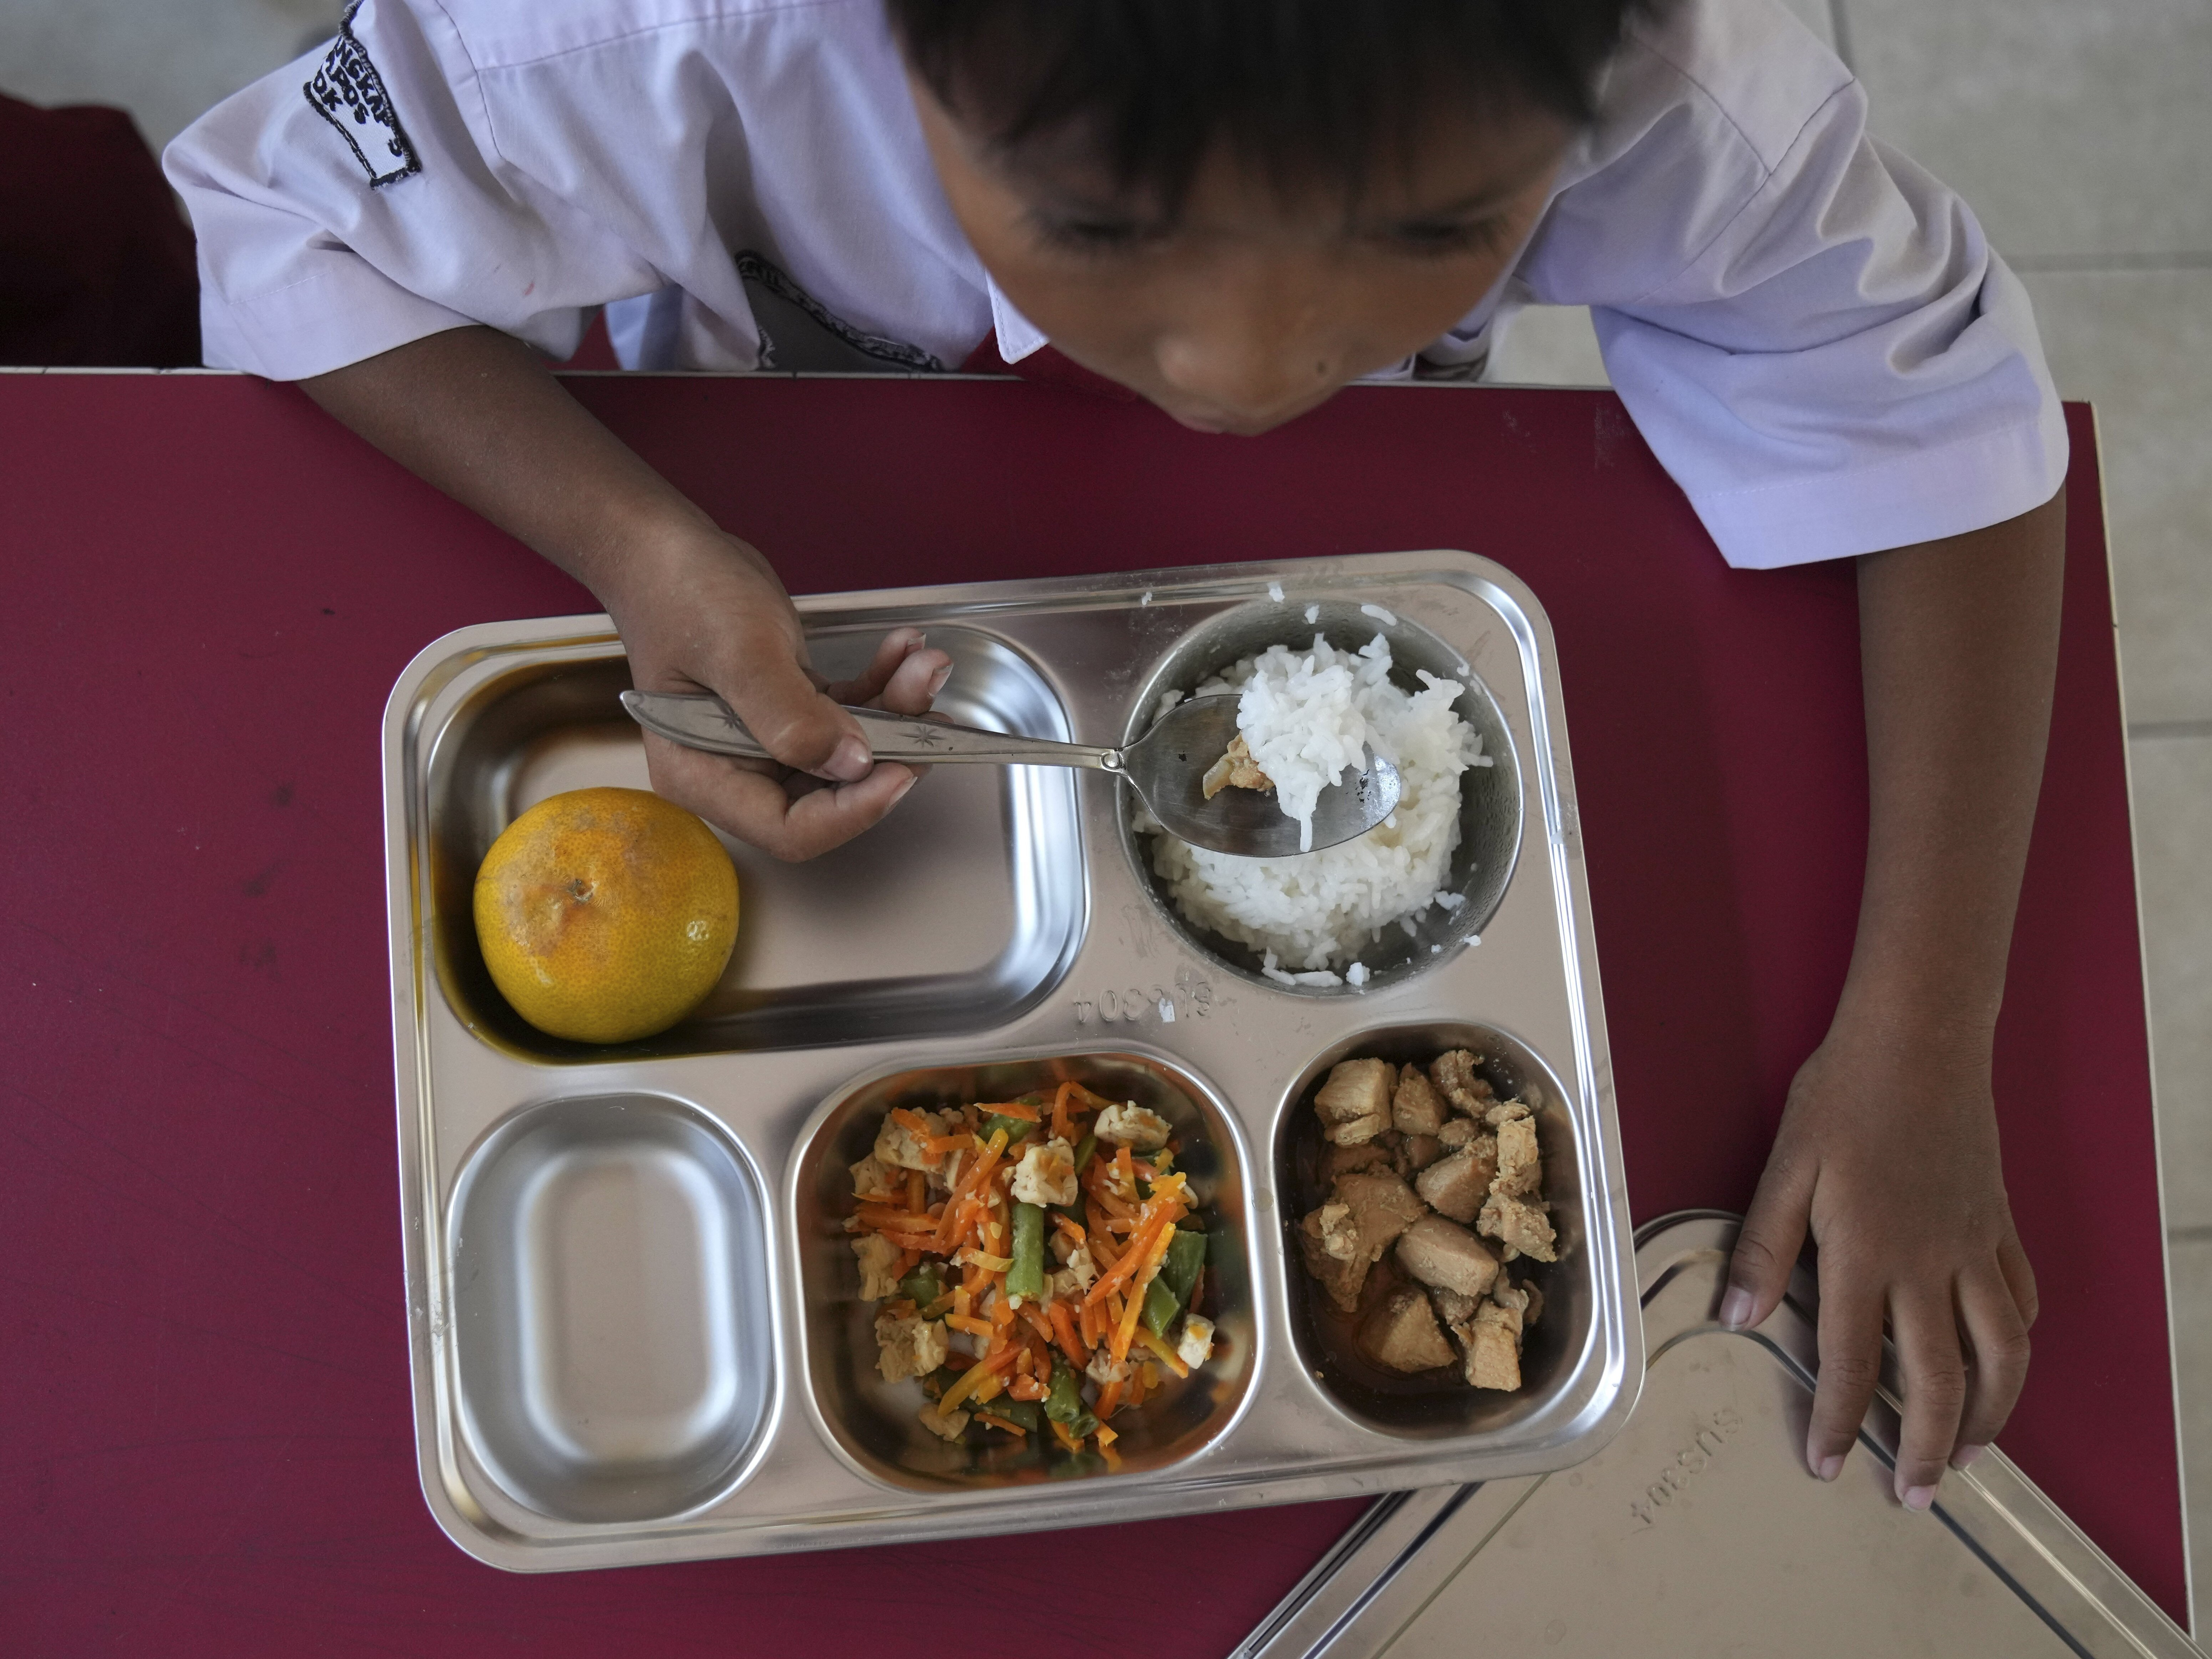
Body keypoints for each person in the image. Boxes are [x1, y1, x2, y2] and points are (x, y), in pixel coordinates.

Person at [166, 0, 2056, 1513]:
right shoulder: (647, 30)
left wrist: (1913, 1046)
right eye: (1094, 227)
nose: (1243, 376)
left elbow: (1933, 426)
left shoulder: (1652, 67)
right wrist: (639, 542)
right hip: (787, 446)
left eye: (1428, 233)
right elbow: (272, 215)